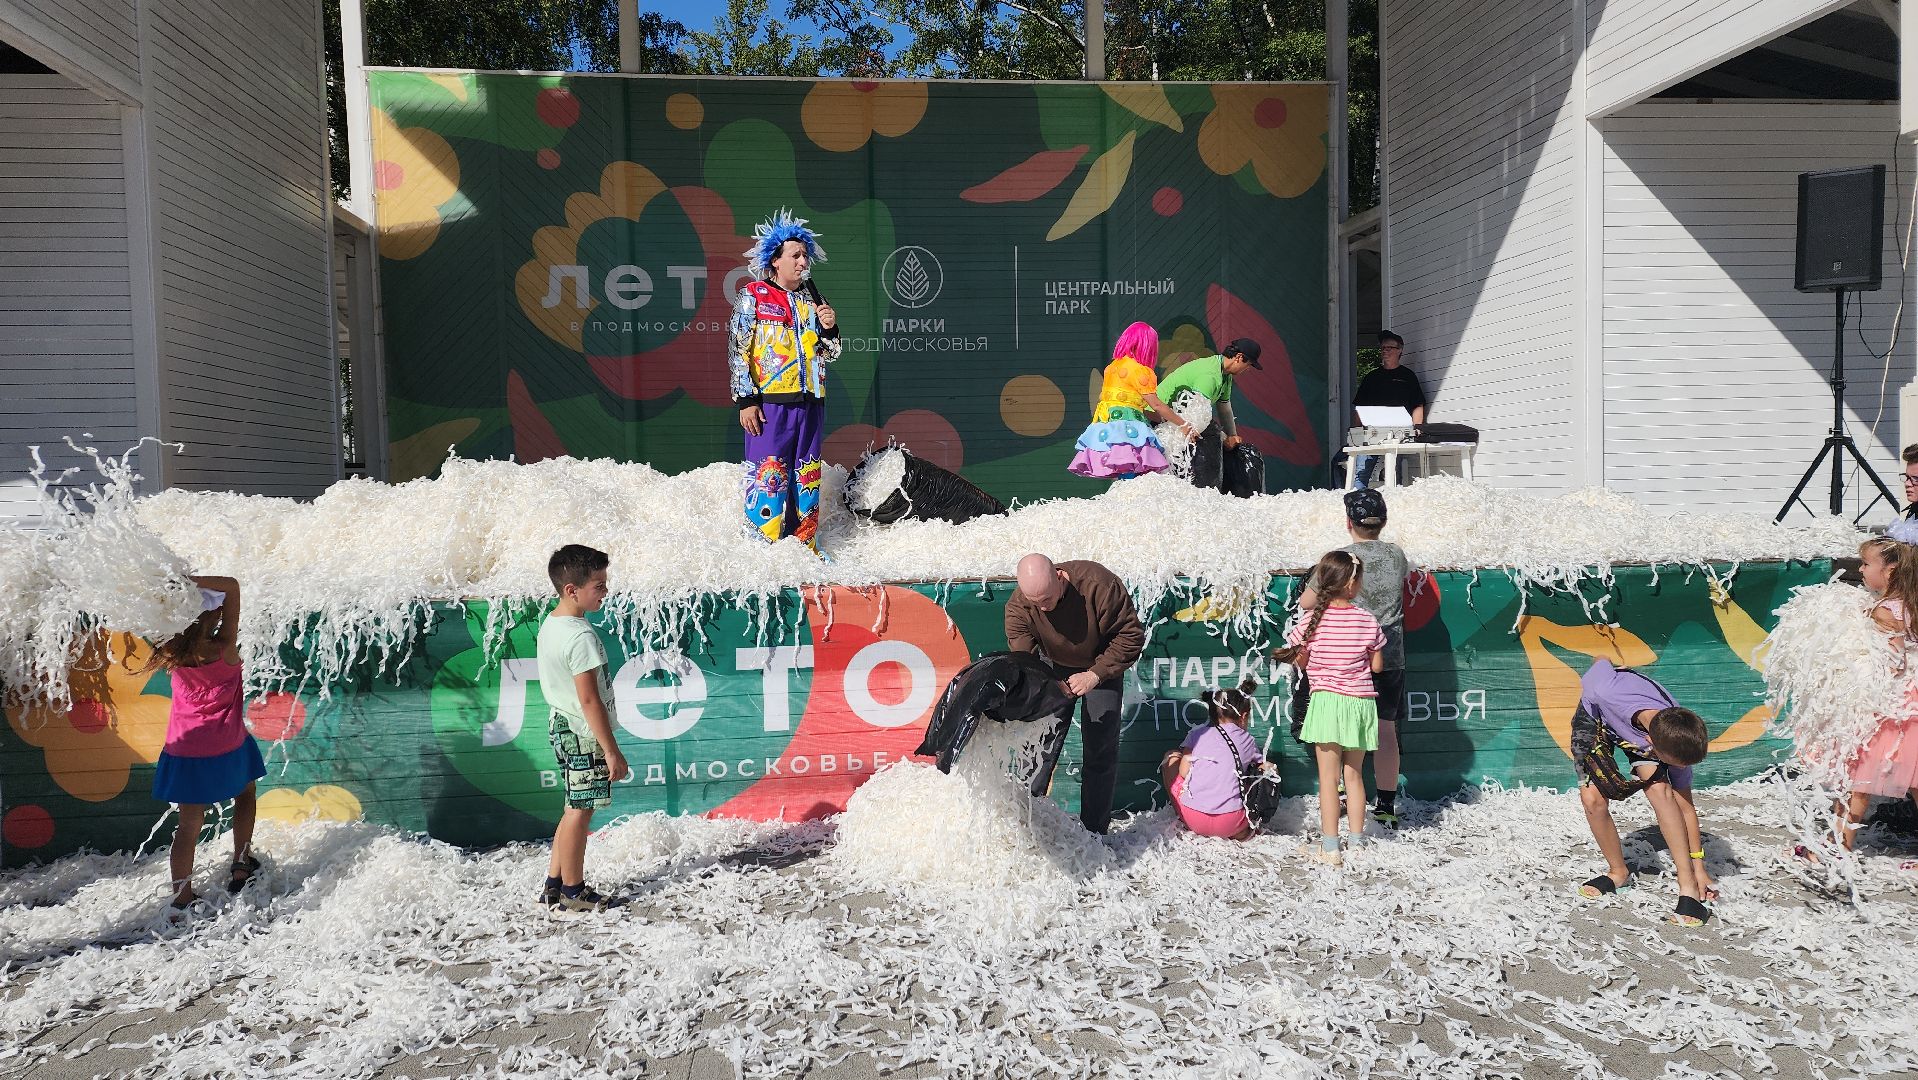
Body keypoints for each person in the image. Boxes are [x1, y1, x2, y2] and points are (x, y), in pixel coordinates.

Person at [1290, 489, 1412, 826]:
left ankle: (1340, 796)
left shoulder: (1342, 559)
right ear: (1382, 522)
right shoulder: (1396, 556)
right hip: (1388, 655)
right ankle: (1386, 806)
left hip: (1344, 660)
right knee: (1386, 729)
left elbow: (1307, 603)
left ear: (1349, 523)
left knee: (1335, 730)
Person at [145, 575, 267, 913]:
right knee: (245, 794)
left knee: (188, 827)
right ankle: (241, 865)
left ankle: (182, 897)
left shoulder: (171, 649)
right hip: (228, 744)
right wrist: (189, 580)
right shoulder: (224, 647)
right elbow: (232, 585)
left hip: (185, 750)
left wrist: (174, 584)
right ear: (212, 617)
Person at [1005, 553, 1146, 834]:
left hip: (1100, 664)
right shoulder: (1020, 605)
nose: (1043, 608)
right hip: (1051, 665)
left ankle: (1095, 832)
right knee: (1038, 744)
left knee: (1100, 749)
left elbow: (1131, 635)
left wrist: (1095, 674)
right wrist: (1038, 691)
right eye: (1036, 602)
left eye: (1047, 598)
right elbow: (1024, 659)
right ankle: (1027, 825)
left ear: (1059, 575)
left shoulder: (1099, 585)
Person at [1571, 659, 1716, 926]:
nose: (1679, 769)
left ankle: (1688, 887)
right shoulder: (1602, 689)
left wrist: (1699, 869)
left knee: (1661, 791)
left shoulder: (1677, 730)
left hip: (1642, 732)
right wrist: (1614, 665)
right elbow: (1600, 660)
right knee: (1592, 798)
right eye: (1674, 764)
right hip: (1596, 719)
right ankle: (1618, 873)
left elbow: (1685, 806)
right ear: (1648, 744)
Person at [730, 209, 840, 553]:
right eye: (795, 255)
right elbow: (738, 349)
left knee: (806, 476)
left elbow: (832, 352)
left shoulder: (813, 301)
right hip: (771, 403)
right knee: (770, 474)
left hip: (810, 401)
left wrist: (830, 327)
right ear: (775, 260)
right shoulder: (754, 295)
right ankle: (764, 547)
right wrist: (746, 400)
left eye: (805, 255)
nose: (803, 261)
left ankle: (804, 547)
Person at [1274, 551, 1384, 867]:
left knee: (1327, 779)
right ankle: (1357, 843)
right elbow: (1377, 666)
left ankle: (1330, 847)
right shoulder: (1367, 619)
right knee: (1355, 775)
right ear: (1352, 584)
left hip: (1326, 703)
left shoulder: (1309, 621)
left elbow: (1300, 661)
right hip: (1361, 704)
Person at [1814, 534, 1918, 856]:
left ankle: (1838, 846)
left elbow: (1894, 662)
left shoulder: (1885, 612)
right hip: (1908, 701)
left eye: (1866, 563)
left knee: (1858, 775)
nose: (1860, 569)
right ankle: (1837, 844)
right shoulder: (1907, 605)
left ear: (1889, 571)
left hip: (1895, 705)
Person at [537, 544, 628, 912]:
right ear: (571, 590)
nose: (605, 592)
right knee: (581, 811)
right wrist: (610, 750)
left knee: (573, 805)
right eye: (599, 586)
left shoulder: (554, 623)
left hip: (561, 725)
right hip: (581, 732)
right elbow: (589, 700)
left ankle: (554, 883)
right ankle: (575, 890)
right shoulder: (580, 638)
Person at [1067, 322, 1185, 480]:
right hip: (1128, 427)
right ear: (1148, 346)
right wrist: (1184, 424)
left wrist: (1163, 419)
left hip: (1108, 424)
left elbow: (1130, 404)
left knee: (1124, 470)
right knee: (1133, 469)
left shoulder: (1112, 367)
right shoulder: (1139, 370)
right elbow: (1156, 404)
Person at [1160, 680, 1274, 841]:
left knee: (1171, 756)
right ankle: (1243, 830)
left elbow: (1183, 772)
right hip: (1232, 822)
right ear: (1244, 716)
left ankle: (1182, 816)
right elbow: (1264, 768)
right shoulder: (1248, 739)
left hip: (1195, 819)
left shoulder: (1197, 735)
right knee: (1267, 770)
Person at [1154, 338, 1263, 488]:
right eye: (1248, 365)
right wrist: (1223, 437)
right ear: (1238, 357)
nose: (1247, 369)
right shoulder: (1210, 376)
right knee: (1209, 438)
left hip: (1179, 417)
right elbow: (1195, 415)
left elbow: (1224, 407)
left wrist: (1232, 436)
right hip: (1159, 420)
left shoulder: (1225, 375)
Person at [1350, 331, 1427, 489]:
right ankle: (1359, 502)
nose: (1385, 351)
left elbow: (1418, 405)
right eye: (1383, 348)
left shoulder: (1408, 376)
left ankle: (1392, 504)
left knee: (1394, 471)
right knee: (1361, 472)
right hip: (1371, 433)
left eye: (1389, 348)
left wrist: (1417, 428)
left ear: (1400, 350)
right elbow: (1360, 407)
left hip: (1398, 434)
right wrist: (1356, 432)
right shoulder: (1371, 377)